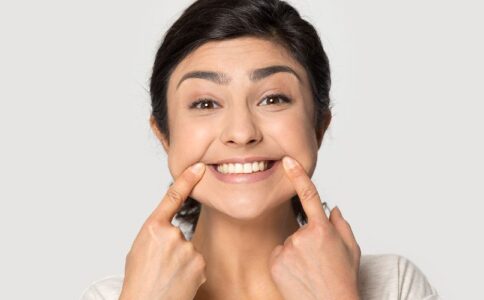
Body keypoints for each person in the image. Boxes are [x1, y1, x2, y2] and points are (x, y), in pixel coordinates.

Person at [80, 0, 442, 299]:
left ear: (319, 126)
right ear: (164, 135)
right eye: (205, 104)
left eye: (273, 98)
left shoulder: (394, 285)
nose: (241, 132)